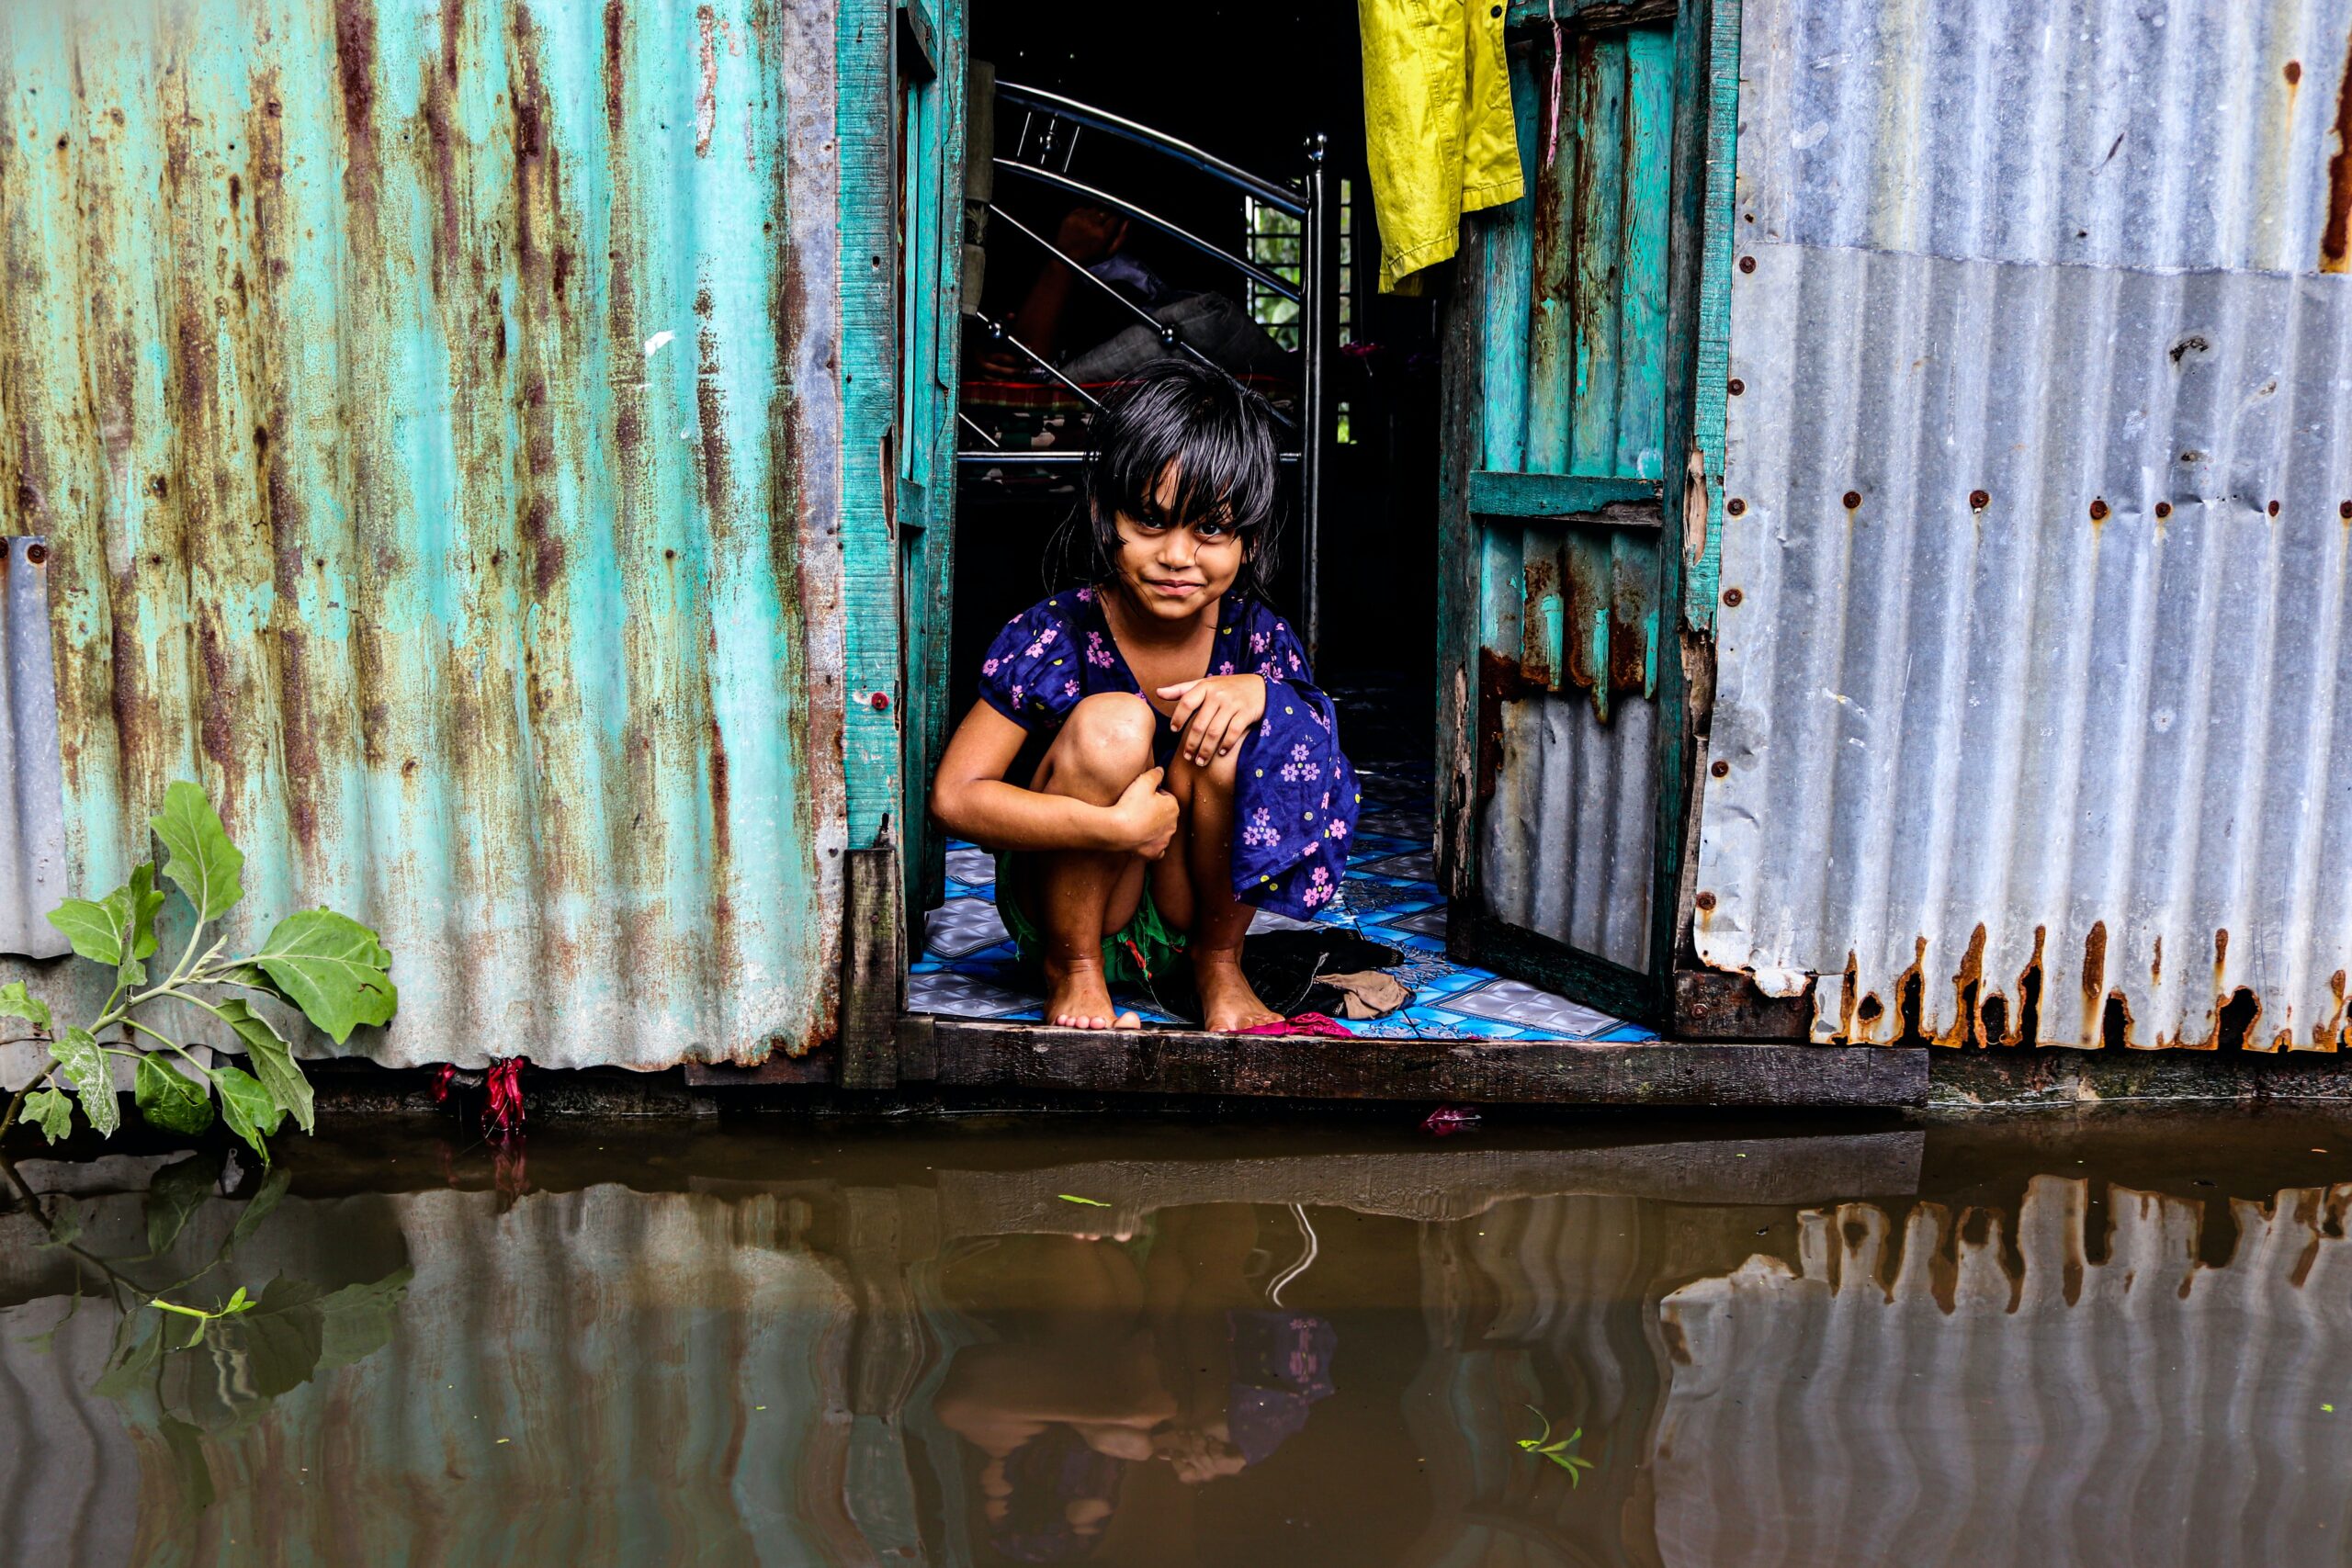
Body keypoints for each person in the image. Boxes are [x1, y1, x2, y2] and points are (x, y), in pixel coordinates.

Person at [930, 361, 1358, 1032]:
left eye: (1211, 529)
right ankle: (1074, 972)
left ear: (1247, 540)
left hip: (1192, 912)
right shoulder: (1056, 634)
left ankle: (1220, 964)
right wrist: (1113, 828)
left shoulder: (1257, 639)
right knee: (1114, 725)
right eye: (1152, 522)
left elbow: (1320, 757)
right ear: (1106, 517)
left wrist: (1266, 698)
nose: (1178, 555)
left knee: (1248, 725)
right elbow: (954, 799)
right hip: (1076, 905)